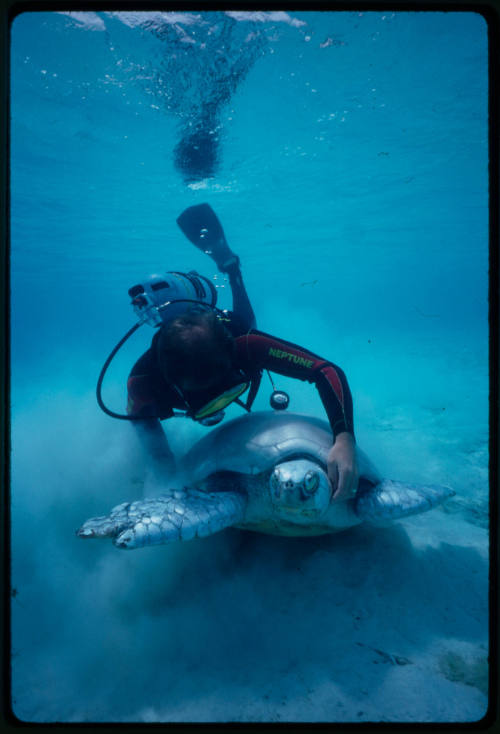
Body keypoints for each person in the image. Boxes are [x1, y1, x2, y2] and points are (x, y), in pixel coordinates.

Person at [126, 206, 358, 502]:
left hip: (233, 332)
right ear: (168, 379)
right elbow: (146, 428)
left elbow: (325, 370)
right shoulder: (143, 381)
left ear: (230, 353)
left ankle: (232, 269)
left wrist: (344, 438)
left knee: (246, 319)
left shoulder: (245, 342)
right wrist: (167, 476)